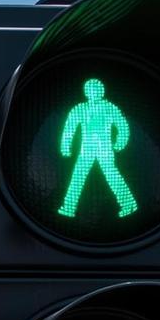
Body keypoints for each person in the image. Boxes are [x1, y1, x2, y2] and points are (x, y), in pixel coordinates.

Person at [58, 78, 138, 218]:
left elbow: (122, 125)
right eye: (90, 90)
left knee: (113, 177)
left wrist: (120, 142)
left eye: (96, 90)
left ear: (102, 91)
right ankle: (69, 208)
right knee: (77, 177)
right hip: (87, 150)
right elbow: (69, 128)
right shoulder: (80, 109)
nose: (93, 93)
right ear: (86, 92)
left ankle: (128, 204)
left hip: (104, 150)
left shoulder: (109, 107)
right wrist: (65, 145)